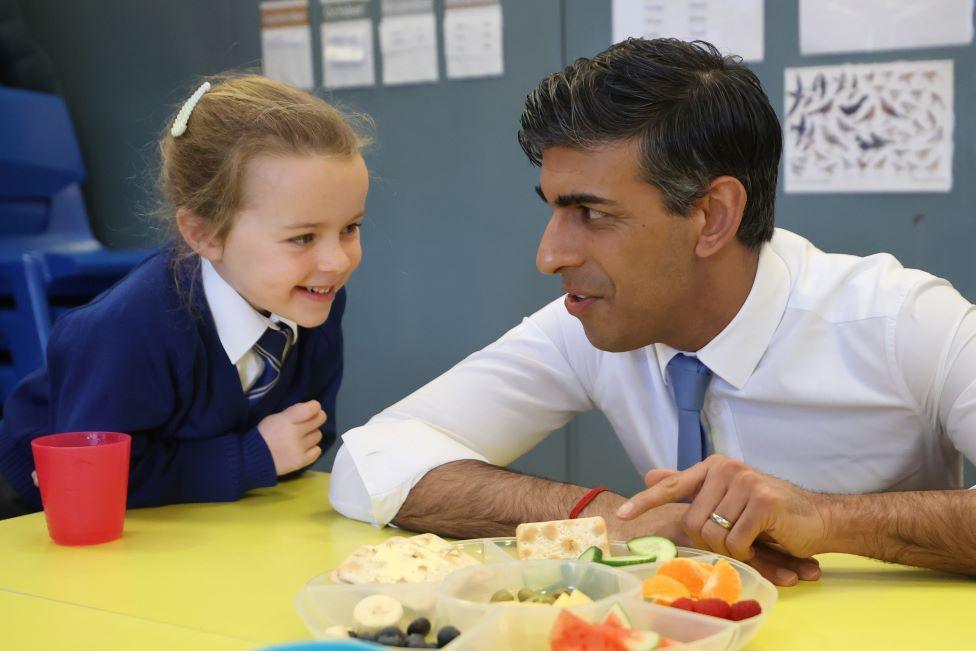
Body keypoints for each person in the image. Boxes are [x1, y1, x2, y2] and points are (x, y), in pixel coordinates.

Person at [329, 38, 976, 584]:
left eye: (592, 213)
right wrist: (607, 514)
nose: (549, 254)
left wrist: (832, 520)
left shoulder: (902, 321)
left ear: (712, 216)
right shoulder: (585, 324)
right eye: (552, 208)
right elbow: (371, 459)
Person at [0, 75, 369, 515]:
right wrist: (253, 456)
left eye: (349, 228)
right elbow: (94, 478)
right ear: (204, 233)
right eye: (303, 237)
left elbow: (306, 435)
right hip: (39, 512)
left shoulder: (311, 296)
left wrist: (265, 454)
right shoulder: (130, 330)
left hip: (194, 508)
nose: (336, 261)